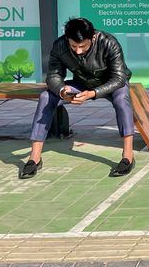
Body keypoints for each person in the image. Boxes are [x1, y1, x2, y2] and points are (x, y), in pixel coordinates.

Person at [21, 18, 136, 179]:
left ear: (93, 37)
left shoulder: (109, 43)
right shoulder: (59, 45)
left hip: (111, 84)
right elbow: (53, 76)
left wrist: (92, 93)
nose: (78, 51)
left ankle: (128, 156)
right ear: (67, 39)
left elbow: (119, 78)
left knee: (121, 99)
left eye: (83, 46)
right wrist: (62, 91)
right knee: (46, 97)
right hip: (81, 84)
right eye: (74, 46)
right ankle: (34, 158)